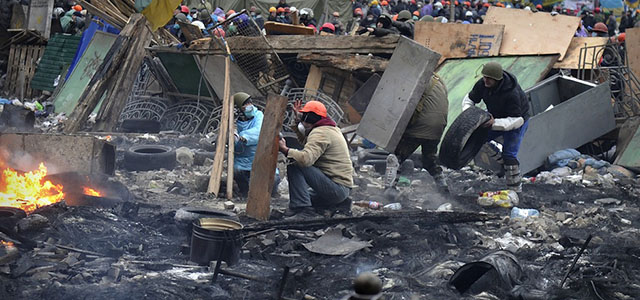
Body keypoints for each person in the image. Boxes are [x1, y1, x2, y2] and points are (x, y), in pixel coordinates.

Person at [278, 101, 354, 217]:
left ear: (310, 118)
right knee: (304, 195)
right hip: (341, 188)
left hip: (337, 189)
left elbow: (305, 159)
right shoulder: (329, 128)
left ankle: (303, 210)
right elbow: (306, 141)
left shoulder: (320, 133)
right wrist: (298, 121)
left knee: (295, 163)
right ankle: (339, 204)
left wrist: (285, 150)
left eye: (305, 117)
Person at [462, 62, 530, 192]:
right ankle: (501, 163)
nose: (486, 80)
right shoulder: (482, 84)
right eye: (484, 77)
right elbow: (469, 100)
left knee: (509, 155)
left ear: (498, 79)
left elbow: (516, 119)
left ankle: (515, 191)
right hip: (494, 117)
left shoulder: (512, 93)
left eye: (489, 78)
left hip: (517, 121)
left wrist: (494, 123)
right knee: (478, 139)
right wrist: (470, 115)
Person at [395, 74, 448, 188]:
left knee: (395, 157)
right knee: (429, 160)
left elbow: (401, 101)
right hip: (438, 128)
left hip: (420, 127)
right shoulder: (439, 81)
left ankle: (389, 189)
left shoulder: (417, 78)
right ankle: (443, 187)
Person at [231, 92, 280, 197]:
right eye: (245, 104)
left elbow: (260, 132)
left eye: (250, 102)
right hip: (243, 161)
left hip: (261, 159)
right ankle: (245, 194)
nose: (249, 105)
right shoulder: (233, 121)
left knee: (273, 180)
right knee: (238, 173)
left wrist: (243, 136)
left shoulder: (259, 116)